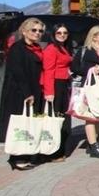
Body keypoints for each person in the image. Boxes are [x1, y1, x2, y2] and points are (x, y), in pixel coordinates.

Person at [0, 18, 46, 170]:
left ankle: (28, 153)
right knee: (20, 125)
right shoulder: (17, 48)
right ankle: (17, 158)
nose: (37, 33)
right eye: (34, 30)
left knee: (31, 123)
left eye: (40, 31)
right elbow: (18, 73)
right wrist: (27, 93)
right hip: (20, 93)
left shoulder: (36, 48)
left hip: (35, 90)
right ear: (24, 31)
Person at [70, 25, 99, 158]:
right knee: (91, 117)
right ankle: (94, 146)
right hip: (89, 87)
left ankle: (92, 144)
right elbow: (75, 68)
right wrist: (90, 70)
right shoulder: (84, 51)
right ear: (94, 37)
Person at [42, 23, 73, 162]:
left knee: (64, 117)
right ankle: (53, 152)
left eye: (64, 33)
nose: (62, 35)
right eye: (59, 33)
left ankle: (61, 148)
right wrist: (49, 92)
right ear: (53, 34)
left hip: (63, 83)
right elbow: (48, 71)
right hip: (55, 85)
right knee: (56, 119)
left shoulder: (63, 48)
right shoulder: (51, 49)